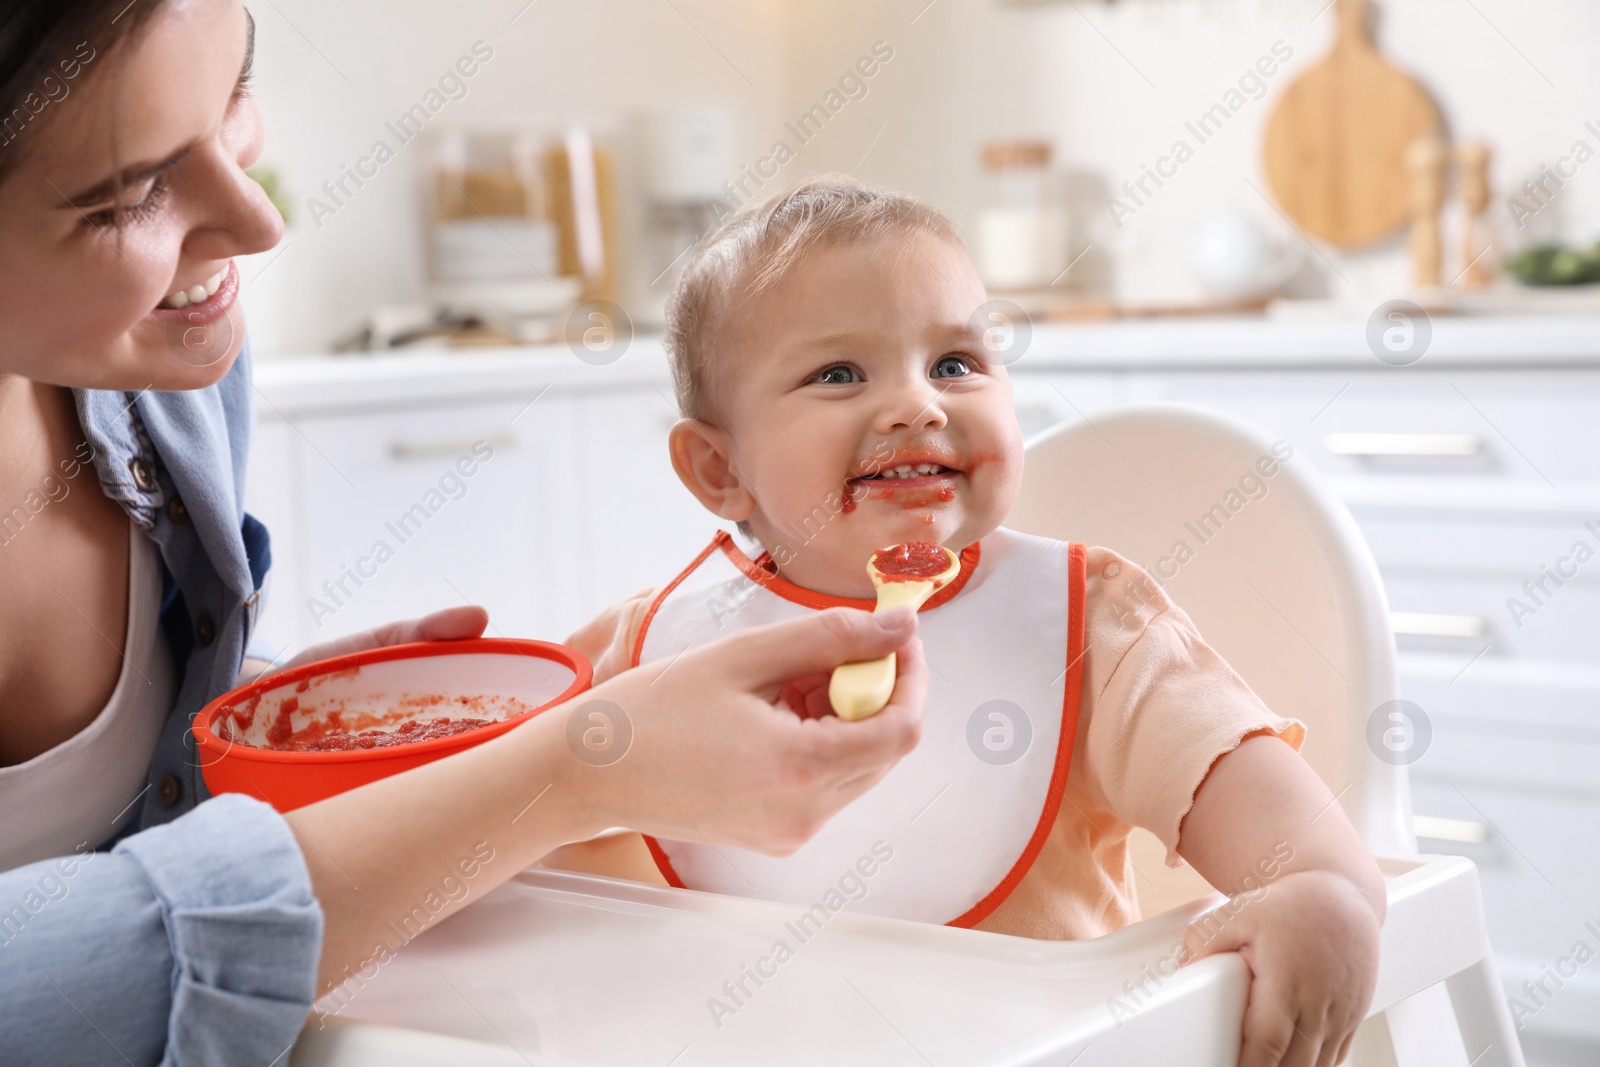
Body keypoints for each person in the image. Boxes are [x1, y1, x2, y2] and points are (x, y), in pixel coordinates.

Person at [0, 4, 927, 1063]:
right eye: (130, 198)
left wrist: (248, 724)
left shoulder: (164, 364)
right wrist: (559, 779)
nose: (257, 221)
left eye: (233, 99)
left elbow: (101, 816)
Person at [558, 176, 1385, 1067]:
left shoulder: (1094, 631)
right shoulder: (638, 654)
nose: (921, 404)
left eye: (956, 363)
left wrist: (1323, 899)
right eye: (839, 373)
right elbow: (470, 824)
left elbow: (1312, 858)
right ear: (719, 469)